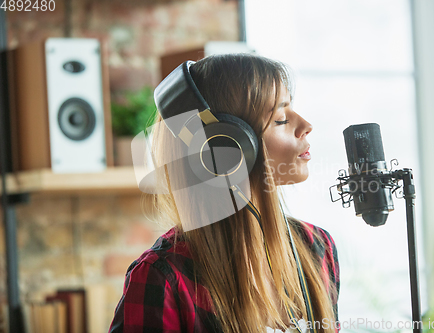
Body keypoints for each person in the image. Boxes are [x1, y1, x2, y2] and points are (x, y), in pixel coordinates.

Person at [109, 53, 340, 333]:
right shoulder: (163, 277)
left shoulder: (317, 248)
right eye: (280, 119)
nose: (305, 126)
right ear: (225, 145)